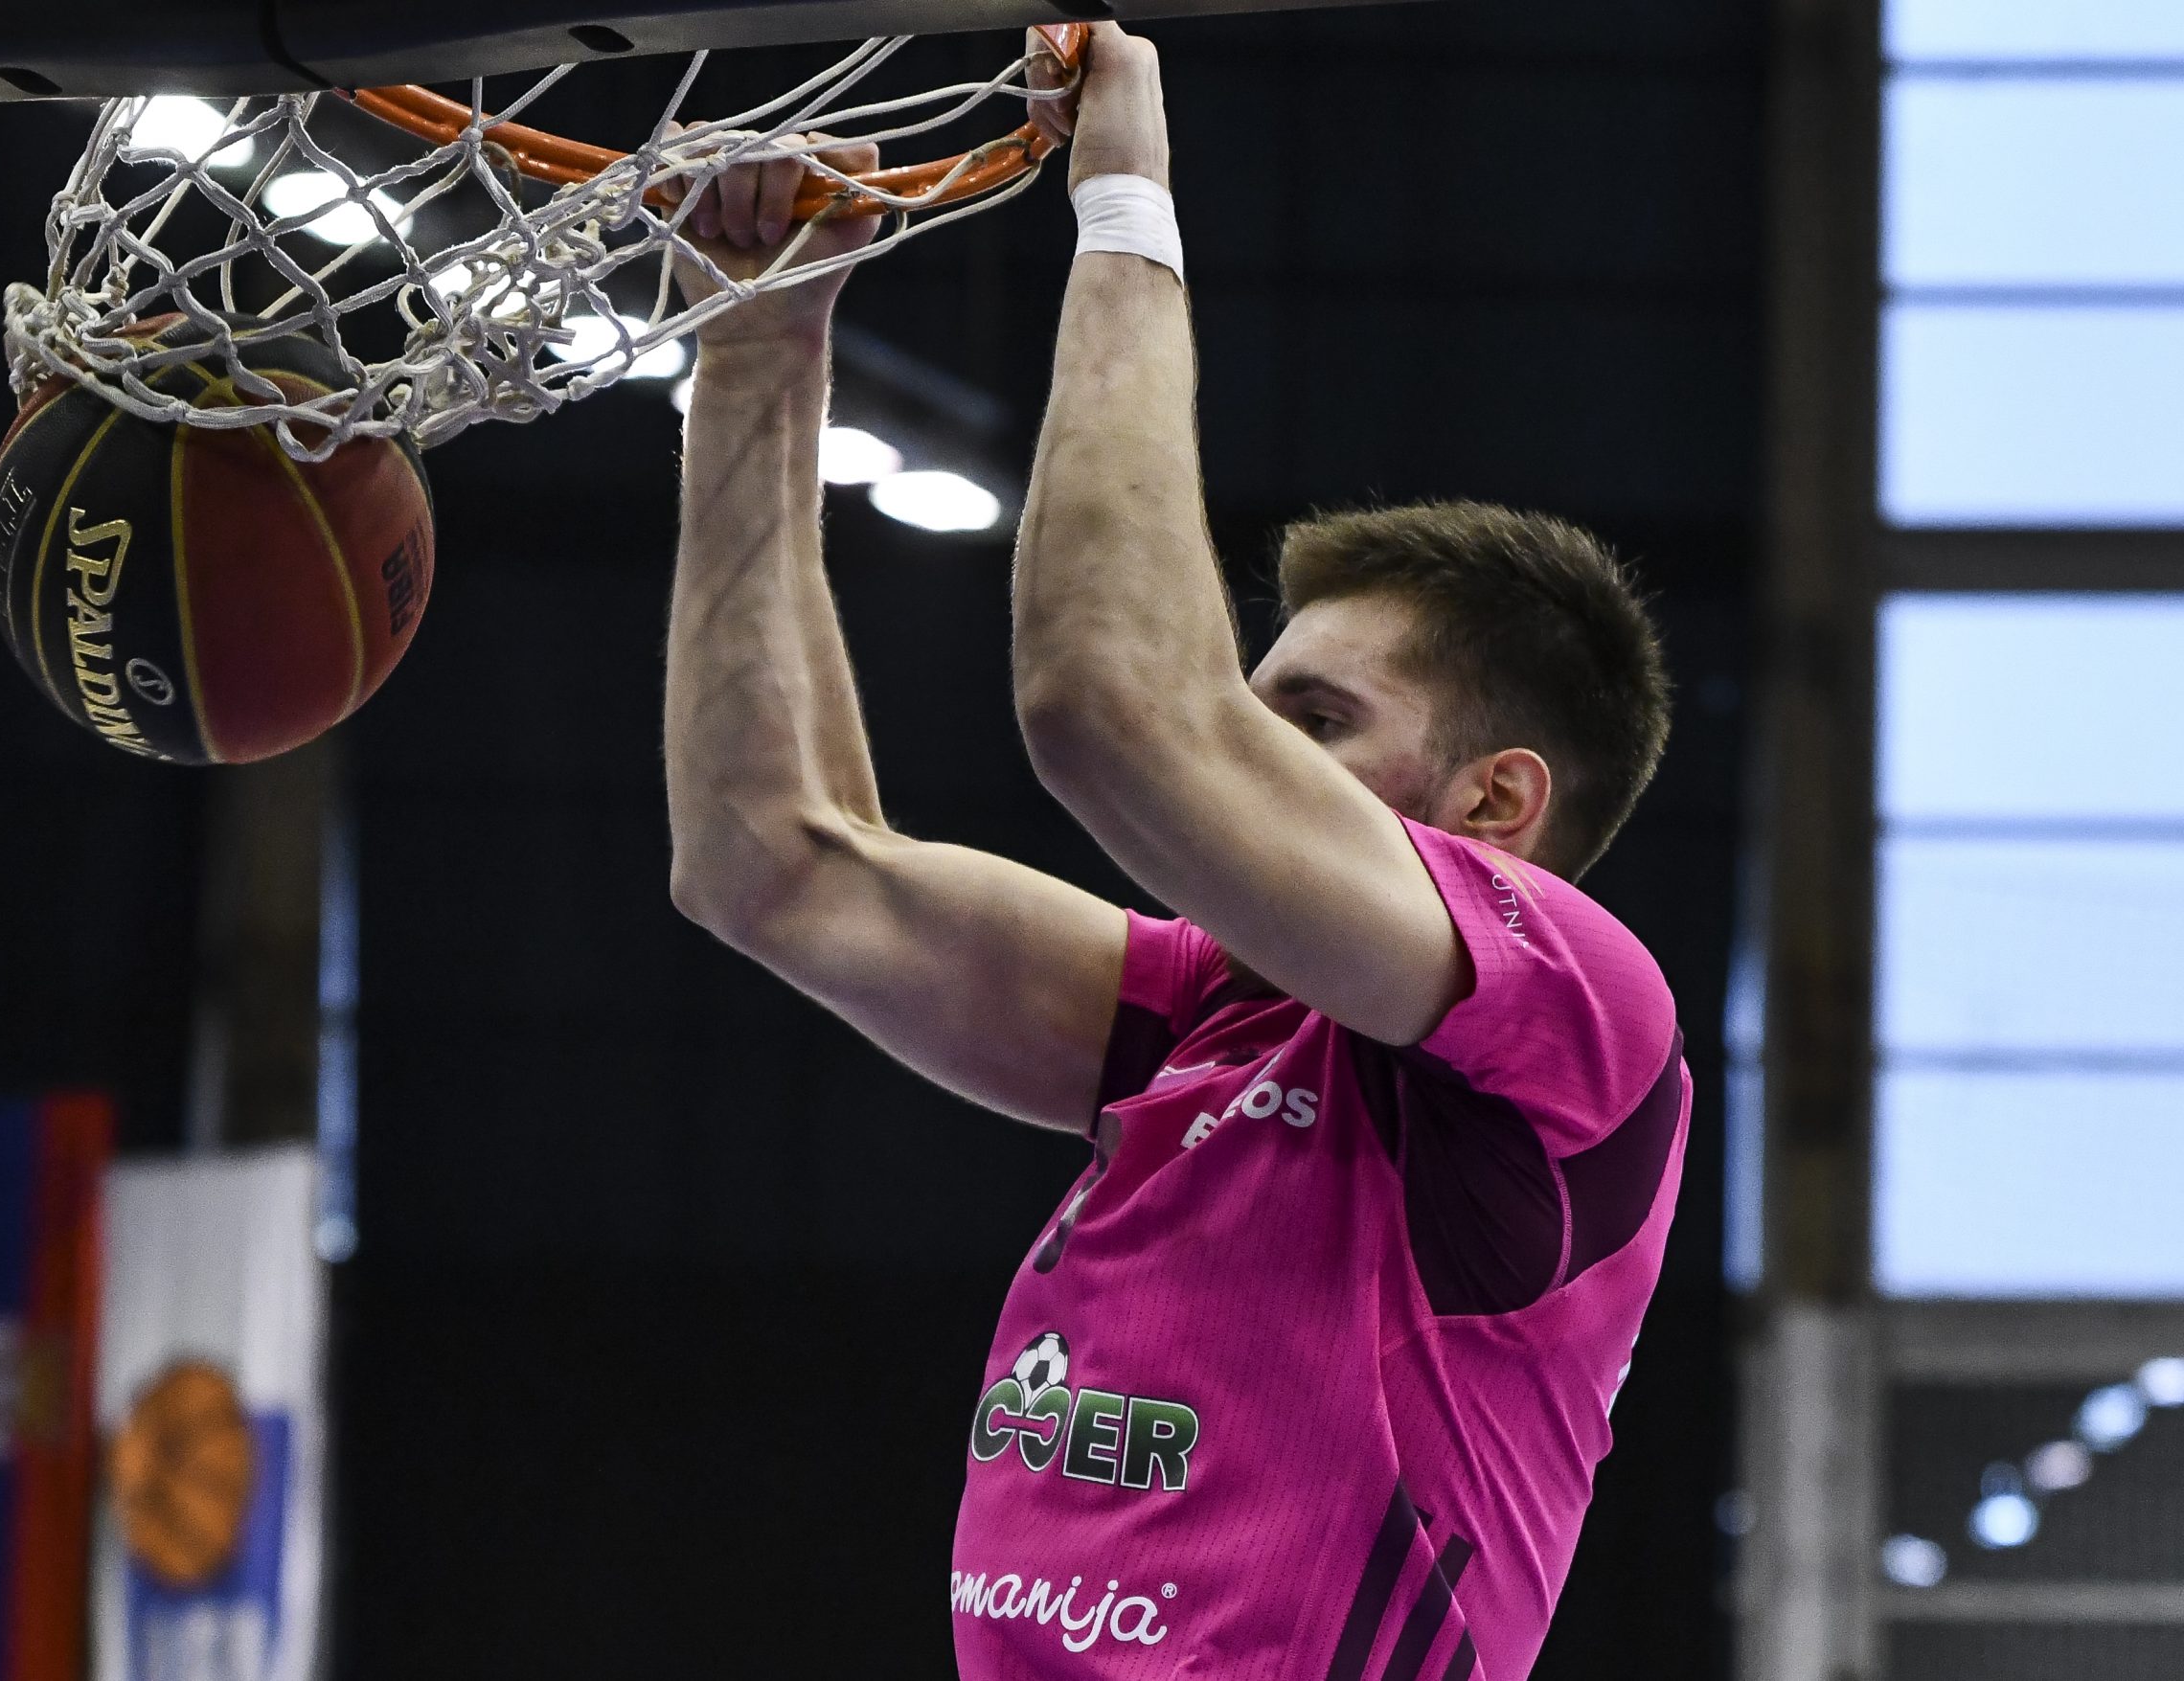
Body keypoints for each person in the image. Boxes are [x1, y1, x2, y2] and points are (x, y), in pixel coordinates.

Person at [662, 25, 1688, 1680]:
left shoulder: (1584, 1018)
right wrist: (760, 342)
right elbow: (771, 862)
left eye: (1315, 720)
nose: (1254, 753)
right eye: (1254, 711)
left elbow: (1116, 707)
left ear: (1496, 807)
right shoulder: (1214, 1008)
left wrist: (1125, 196)